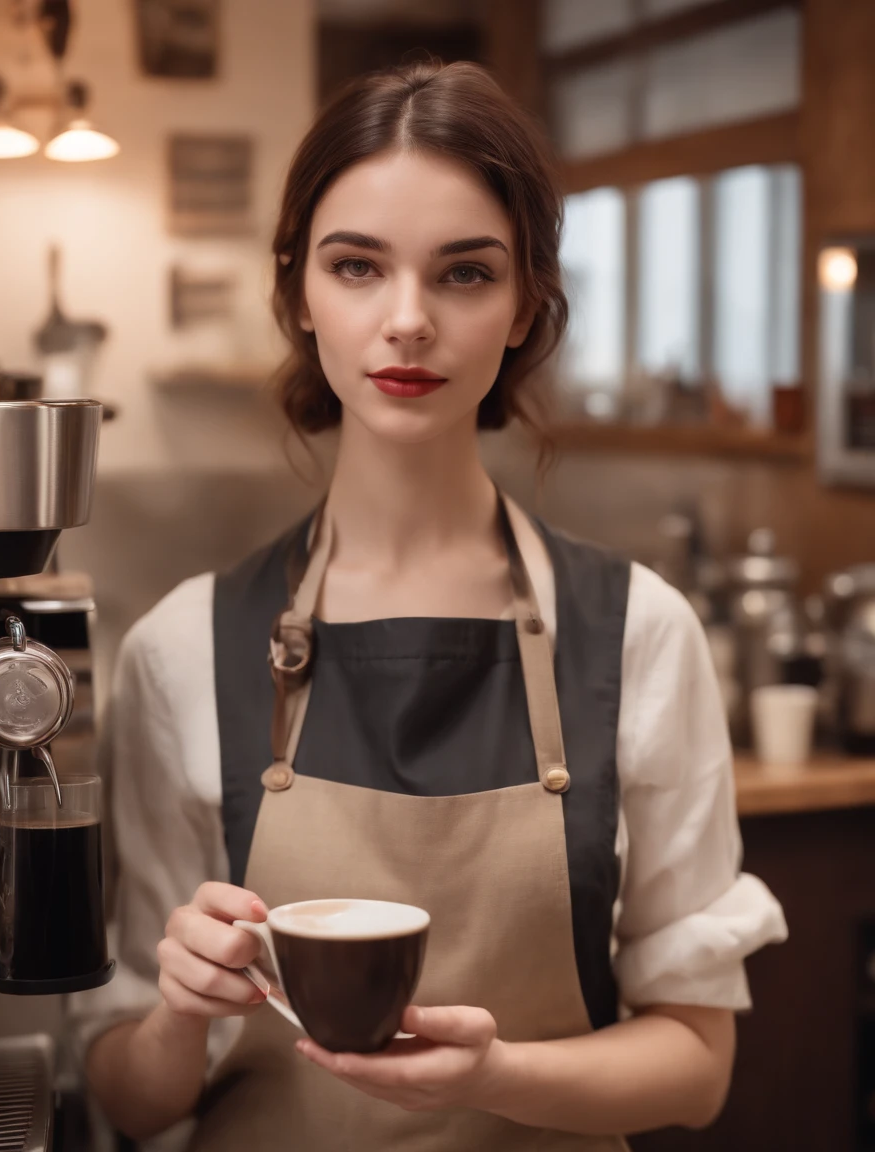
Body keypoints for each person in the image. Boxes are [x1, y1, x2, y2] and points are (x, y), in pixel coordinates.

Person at [74, 59, 787, 1151]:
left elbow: (695, 1067)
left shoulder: (637, 634)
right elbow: (125, 1100)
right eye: (357, 266)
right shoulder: (182, 649)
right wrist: (177, 1010)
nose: (405, 321)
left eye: (463, 274)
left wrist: (499, 1076)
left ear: (523, 308)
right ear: (297, 294)